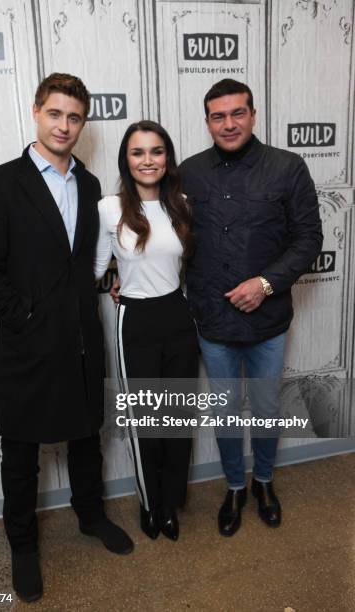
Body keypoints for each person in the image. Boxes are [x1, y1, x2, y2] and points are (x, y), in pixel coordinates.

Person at [0, 73, 133, 603]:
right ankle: (22, 544)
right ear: (37, 112)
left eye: (75, 117)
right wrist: (27, 320)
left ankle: (90, 516)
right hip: (27, 343)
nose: (64, 126)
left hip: (82, 339)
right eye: (55, 114)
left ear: (83, 122)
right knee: (20, 453)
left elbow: (85, 264)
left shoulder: (88, 185)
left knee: (87, 438)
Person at [179, 79, 323, 536]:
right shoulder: (187, 172)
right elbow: (163, 237)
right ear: (207, 123)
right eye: (218, 116)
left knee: (263, 407)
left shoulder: (288, 167)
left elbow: (309, 239)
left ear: (253, 115)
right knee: (223, 413)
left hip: (268, 321)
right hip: (212, 321)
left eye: (237, 113)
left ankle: (264, 481)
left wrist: (265, 283)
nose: (229, 123)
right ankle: (235, 487)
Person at [94, 120, 199, 542]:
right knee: (146, 420)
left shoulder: (182, 205)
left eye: (156, 151)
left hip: (177, 316)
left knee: (176, 417)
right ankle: (150, 502)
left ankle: (171, 503)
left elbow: (183, 267)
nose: (147, 160)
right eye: (138, 152)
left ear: (167, 158)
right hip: (135, 320)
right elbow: (96, 269)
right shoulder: (109, 208)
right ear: (126, 160)